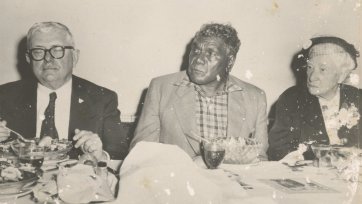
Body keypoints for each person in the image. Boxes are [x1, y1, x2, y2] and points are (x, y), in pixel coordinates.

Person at [130, 23, 268, 163]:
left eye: (210, 53)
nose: (198, 59)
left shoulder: (255, 98)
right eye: (195, 51)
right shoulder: (161, 88)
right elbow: (141, 154)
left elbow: (259, 160)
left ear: (230, 61)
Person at [0, 22, 128, 160]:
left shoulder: (102, 99)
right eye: (38, 51)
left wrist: (100, 155)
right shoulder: (4, 96)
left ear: (75, 56)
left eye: (57, 50)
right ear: (28, 58)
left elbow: (119, 156)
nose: (48, 59)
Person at [268, 36, 361, 161]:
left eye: (322, 69)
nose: (312, 77)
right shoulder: (291, 100)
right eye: (310, 67)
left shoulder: (357, 98)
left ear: (341, 75)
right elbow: (279, 150)